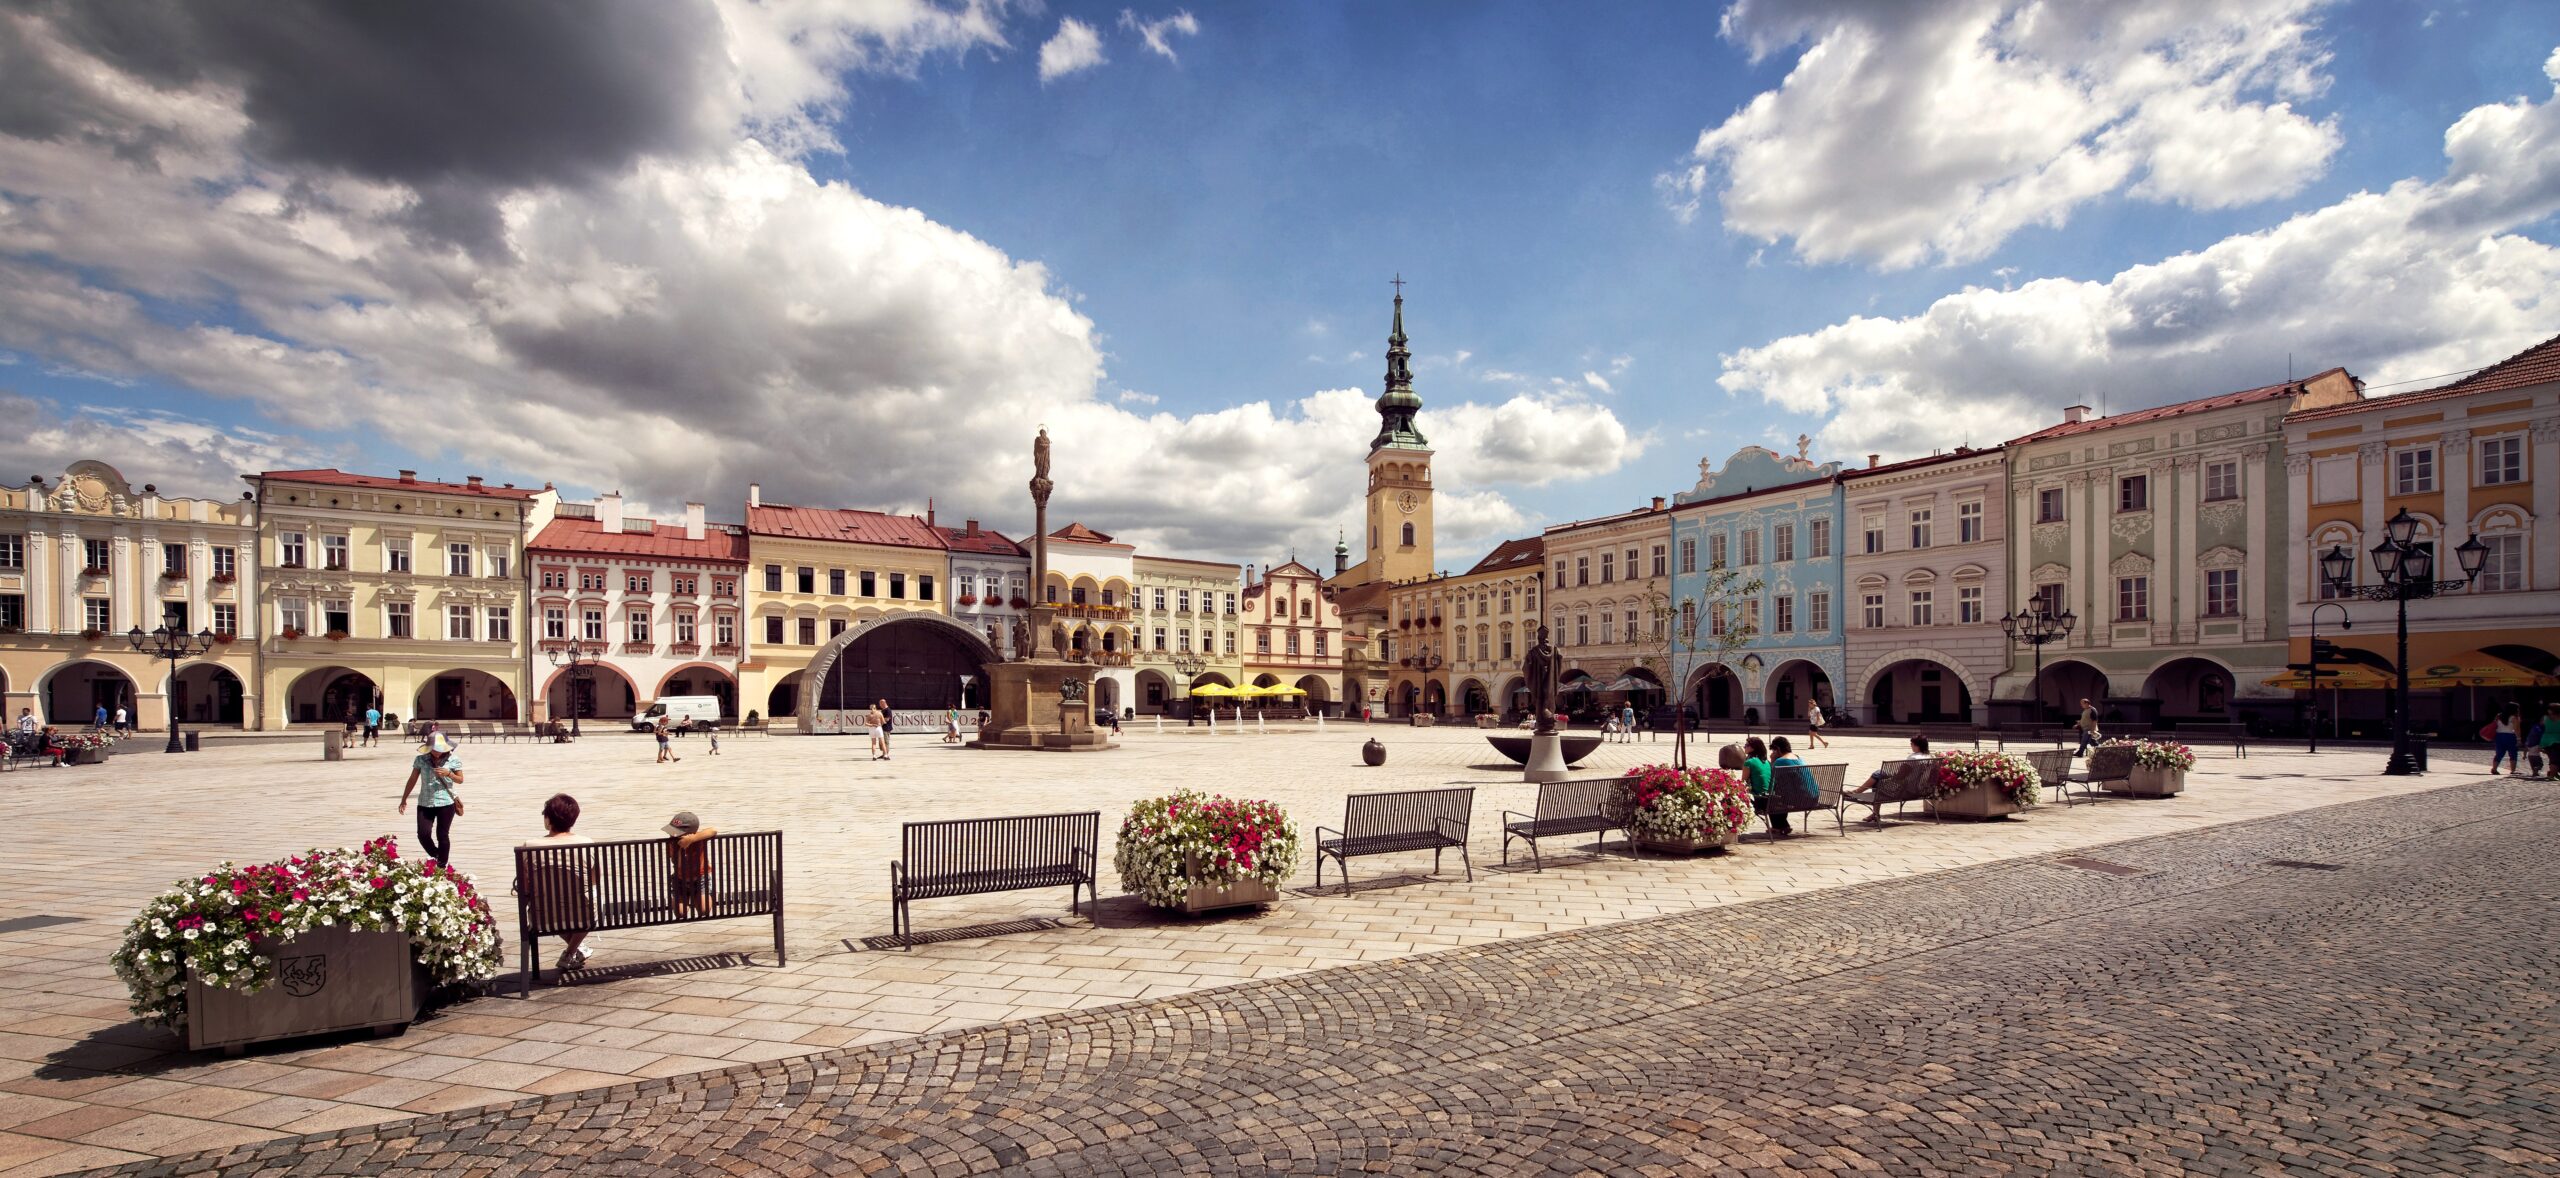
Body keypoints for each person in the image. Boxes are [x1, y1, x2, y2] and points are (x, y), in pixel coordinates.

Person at [517, 793, 597, 974]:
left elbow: (526, 888)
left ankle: (573, 950)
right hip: (584, 914)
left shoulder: (529, 846)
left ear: (548, 819)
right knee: (586, 897)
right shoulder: (587, 843)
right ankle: (573, 951)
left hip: (544, 917)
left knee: (548, 899)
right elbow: (594, 881)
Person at [397, 735, 464, 867]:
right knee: (423, 834)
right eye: (433, 749)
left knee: (442, 835)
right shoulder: (421, 759)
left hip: (445, 802)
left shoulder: (453, 759)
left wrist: (448, 774)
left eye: (439, 749)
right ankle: (437, 855)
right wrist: (404, 799)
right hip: (425, 802)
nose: (436, 752)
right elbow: (412, 779)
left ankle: (442, 865)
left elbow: (460, 780)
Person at [1847, 734, 1935, 805]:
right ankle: (1858, 793)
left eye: (1911, 744)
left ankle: (1858, 793)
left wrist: (1891, 776)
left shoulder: (1914, 758)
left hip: (1906, 790)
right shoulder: (1930, 757)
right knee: (1878, 774)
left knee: (1878, 779)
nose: (1910, 746)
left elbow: (1900, 776)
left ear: (1917, 746)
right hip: (1922, 790)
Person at [663, 811, 719, 917]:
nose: (671, 834)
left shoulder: (698, 839)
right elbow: (676, 863)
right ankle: (688, 898)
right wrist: (679, 849)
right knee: (680, 913)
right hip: (680, 880)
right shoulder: (672, 843)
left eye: (675, 832)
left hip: (700, 878)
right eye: (671, 831)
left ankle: (697, 897)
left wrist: (692, 839)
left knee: (704, 910)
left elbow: (713, 830)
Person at [1765, 735, 1808, 838]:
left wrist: (1772, 761)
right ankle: (1783, 825)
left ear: (1778, 749)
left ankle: (1778, 826)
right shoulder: (1798, 758)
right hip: (1811, 797)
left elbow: (1772, 780)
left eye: (1774, 750)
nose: (1773, 753)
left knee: (1772, 798)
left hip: (1799, 800)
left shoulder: (1780, 761)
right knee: (1783, 795)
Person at [1741, 736, 1777, 836]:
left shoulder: (1749, 762)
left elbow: (1742, 784)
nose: (1744, 746)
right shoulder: (1767, 762)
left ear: (1753, 748)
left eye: (1747, 745)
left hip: (1759, 801)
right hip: (1771, 800)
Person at [2489, 704, 2521, 775]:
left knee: (2499, 753)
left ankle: (2494, 768)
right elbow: (2517, 729)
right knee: (2513, 753)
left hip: (2499, 736)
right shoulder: (2514, 718)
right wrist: (2519, 739)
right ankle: (2513, 770)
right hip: (2510, 736)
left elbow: (2495, 725)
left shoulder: (2499, 716)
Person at [2538, 704, 2560, 780]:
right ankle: (2551, 775)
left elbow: (2541, 726)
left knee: (2552, 757)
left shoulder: (2545, 718)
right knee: (2555, 759)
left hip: (2546, 740)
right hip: (2557, 740)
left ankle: (2553, 773)